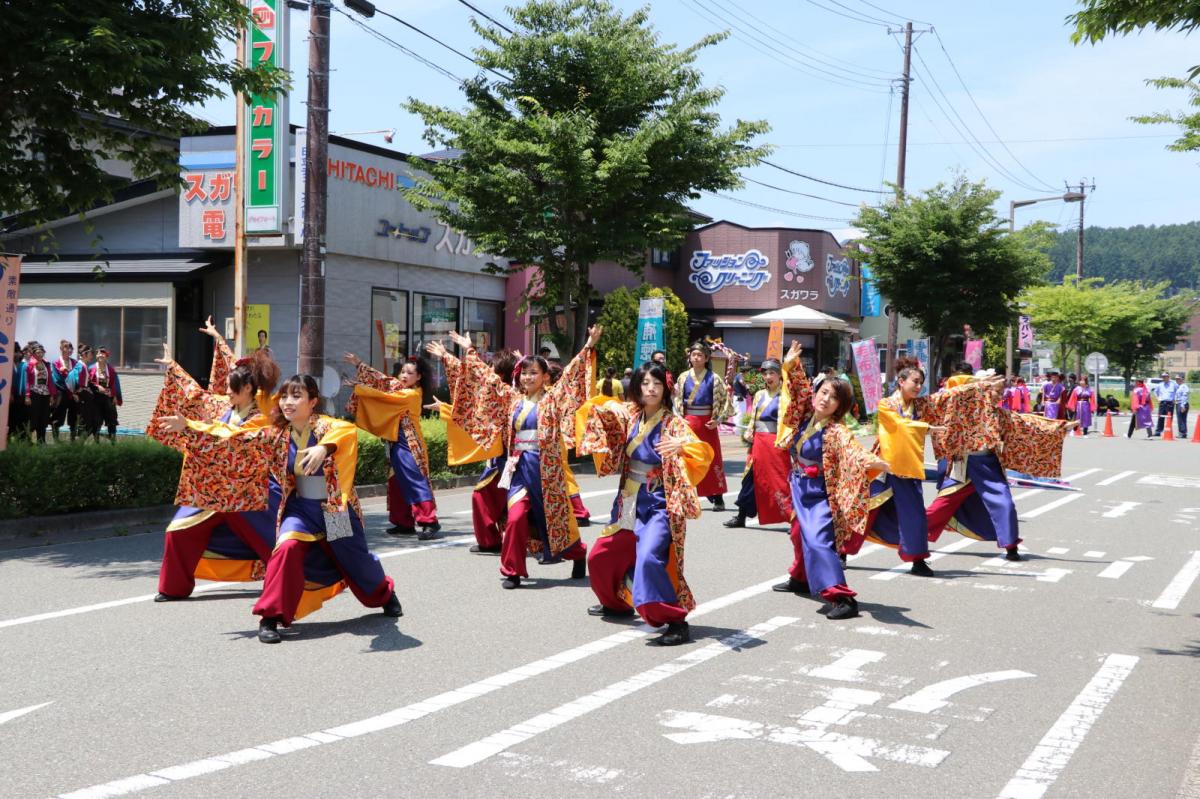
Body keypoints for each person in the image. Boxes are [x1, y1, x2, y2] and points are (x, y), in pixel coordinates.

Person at [159, 374, 403, 643]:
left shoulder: (328, 426)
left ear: (312, 402)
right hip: (300, 508)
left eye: (296, 396)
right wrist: (190, 426)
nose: (288, 402)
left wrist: (323, 448)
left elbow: (345, 433)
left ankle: (384, 593)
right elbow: (233, 438)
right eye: (285, 396)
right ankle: (271, 617)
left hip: (334, 509)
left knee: (356, 559)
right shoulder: (276, 434)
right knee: (286, 548)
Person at [446, 327, 601, 589]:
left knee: (554, 519)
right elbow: (487, 379)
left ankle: (577, 552)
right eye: (525, 372)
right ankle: (512, 570)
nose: (528, 377)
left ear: (544, 376)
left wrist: (589, 344)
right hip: (519, 467)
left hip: (546, 470)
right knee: (516, 517)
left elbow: (574, 373)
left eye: (534, 373)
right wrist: (468, 351)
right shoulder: (512, 399)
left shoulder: (554, 399)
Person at [579, 360, 714, 644]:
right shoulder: (631, 414)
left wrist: (682, 446)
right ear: (636, 388)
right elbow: (598, 411)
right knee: (600, 556)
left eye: (656, 384)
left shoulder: (674, 423)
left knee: (650, 558)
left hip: (659, 502)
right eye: (645, 384)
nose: (651, 389)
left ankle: (675, 620)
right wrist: (607, 407)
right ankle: (617, 604)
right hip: (628, 500)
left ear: (665, 389)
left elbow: (703, 453)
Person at [149, 340, 281, 601]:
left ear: (247, 389)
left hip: (248, 492)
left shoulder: (259, 420)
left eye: (232, 388)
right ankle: (173, 587)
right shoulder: (224, 408)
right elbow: (198, 396)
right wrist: (174, 368)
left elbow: (228, 437)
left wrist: (189, 425)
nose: (227, 392)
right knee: (178, 531)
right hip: (213, 490)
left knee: (275, 543)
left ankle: (292, 582)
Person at [847, 358, 1002, 576]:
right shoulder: (886, 405)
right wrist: (927, 427)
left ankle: (917, 559)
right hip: (883, 467)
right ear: (901, 381)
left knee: (916, 516)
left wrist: (979, 383)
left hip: (908, 466)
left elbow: (949, 394)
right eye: (915, 382)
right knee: (866, 510)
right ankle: (842, 551)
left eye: (921, 383)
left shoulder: (920, 405)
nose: (919, 387)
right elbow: (900, 425)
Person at [772, 342, 888, 620]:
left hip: (820, 492)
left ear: (840, 406)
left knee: (818, 540)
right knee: (799, 534)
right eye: (823, 392)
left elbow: (851, 449)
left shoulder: (836, 430)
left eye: (832, 398)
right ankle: (800, 577)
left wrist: (870, 461)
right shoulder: (804, 415)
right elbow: (798, 390)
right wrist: (791, 365)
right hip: (799, 486)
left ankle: (842, 597)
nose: (824, 399)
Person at [926, 364, 1077, 562]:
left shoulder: (998, 414)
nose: (1000, 395)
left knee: (1004, 503)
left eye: (1001, 391)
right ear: (983, 389)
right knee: (943, 505)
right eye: (996, 391)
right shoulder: (959, 407)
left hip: (988, 464)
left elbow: (1026, 423)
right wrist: (977, 385)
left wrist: (1060, 427)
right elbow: (946, 394)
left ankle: (1010, 545)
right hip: (964, 465)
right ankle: (913, 533)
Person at [428, 346, 519, 554]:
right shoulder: (498, 393)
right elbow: (474, 416)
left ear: (501, 373)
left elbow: (474, 386)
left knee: (485, 498)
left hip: (508, 460)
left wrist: (464, 351)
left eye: (491, 367)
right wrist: (445, 408)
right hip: (503, 459)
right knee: (505, 503)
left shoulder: (507, 393)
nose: (486, 369)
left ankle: (493, 542)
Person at [344, 352, 441, 540]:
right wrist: (359, 364)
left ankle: (429, 521)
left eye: (410, 373)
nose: (404, 375)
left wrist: (360, 388)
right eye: (403, 372)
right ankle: (403, 523)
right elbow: (384, 381)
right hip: (397, 442)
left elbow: (383, 397)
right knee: (396, 483)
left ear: (419, 377)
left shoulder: (411, 394)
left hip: (410, 444)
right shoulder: (400, 388)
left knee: (414, 481)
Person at [725, 359, 791, 529]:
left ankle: (792, 517)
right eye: (765, 373)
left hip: (776, 442)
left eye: (772, 373)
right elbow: (754, 416)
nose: (768, 377)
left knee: (779, 480)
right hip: (759, 441)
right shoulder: (759, 394)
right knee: (750, 478)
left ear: (779, 375)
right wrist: (749, 431)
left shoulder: (786, 395)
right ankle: (741, 516)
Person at [673, 341, 730, 511]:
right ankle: (685, 496)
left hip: (707, 424)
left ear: (706, 358)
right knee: (686, 459)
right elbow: (676, 402)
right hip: (688, 423)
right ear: (689, 357)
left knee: (712, 458)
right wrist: (679, 419)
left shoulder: (714, 378)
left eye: (700, 355)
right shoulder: (683, 377)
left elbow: (724, 401)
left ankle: (718, 496)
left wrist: (717, 420)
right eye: (693, 355)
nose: (696, 358)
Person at [21, 342, 56, 444]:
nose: (40, 354)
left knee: (44, 417)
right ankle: (28, 441)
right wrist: (27, 396)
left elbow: (49, 381)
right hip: (34, 393)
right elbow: (27, 381)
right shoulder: (30, 364)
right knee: (33, 417)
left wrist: (52, 395)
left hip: (45, 394)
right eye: (38, 352)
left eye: (42, 352)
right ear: (33, 353)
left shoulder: (46, 364)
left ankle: (41, 440)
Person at [87, 347, 121, 441]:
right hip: (96, 398)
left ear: (106, 356)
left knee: (112, 419)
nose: (100, 355)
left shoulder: (110, 369)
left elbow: (114, 383)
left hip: (108, 397)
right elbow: (89, 382)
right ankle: (96, 441)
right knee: (96, 420)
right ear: (96, 356)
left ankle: (113, 440)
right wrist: (97, 386)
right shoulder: (91, 368)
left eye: (103, 353)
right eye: (98, 353)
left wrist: (114, 396)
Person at [49, 340, 80, 441]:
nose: (69, 350)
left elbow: (78, 378)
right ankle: (56, 440)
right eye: (66, 347)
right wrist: (71, 392)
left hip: (74, 394)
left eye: (70, 348)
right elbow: (57, 381)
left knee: (74, 416)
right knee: (58, 416)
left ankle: (72, 439)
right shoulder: (56, 363)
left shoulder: (75, 363)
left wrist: (76, 391)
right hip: (61, 393)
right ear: (61, 349)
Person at [1153, 372, 1178, 436]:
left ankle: (1168, 431)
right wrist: (1158, 399)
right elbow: (1155, 392)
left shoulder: (1173, 384)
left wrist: (1175, 399)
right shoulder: (1160, 384)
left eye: (1165, 376)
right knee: (1160, 417)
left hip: (1170, 403)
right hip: (1162, 403)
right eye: (1163, 377)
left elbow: (1177, 392)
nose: (1164, 378)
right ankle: (1158, 432)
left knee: (1169, 418)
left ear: (1168, 377)